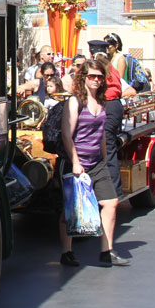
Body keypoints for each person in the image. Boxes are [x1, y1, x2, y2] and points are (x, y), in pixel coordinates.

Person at [58, 58, 129, 267]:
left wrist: (105, 157)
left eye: (99, 77)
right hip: (76, 162)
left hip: (97, 162)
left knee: (111, 202)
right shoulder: (75, 101)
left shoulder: (101, 102)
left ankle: (107, 250)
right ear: (84, 78)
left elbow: (102, 134)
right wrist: (75, 162)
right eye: (92, 76)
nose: (96, 80)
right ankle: (66, 251)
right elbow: (66, 135)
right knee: (71, 210)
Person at [88, 39, 136, 202]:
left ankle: (113, 192)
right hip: (113, 106)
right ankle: (111, 190)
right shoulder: (112, 69)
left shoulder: (95, 68)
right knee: (108, 147)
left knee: (106, 148)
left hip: (105, 105)